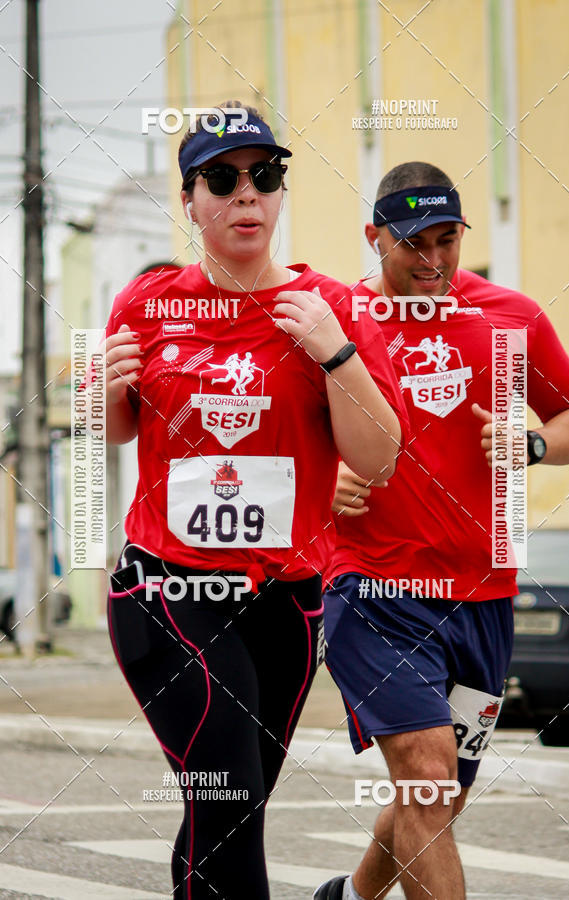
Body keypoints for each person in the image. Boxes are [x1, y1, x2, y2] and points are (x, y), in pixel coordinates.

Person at [101, 102, 408, 900]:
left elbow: (376, 460)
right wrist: (100, 388)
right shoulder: (148, 304)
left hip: (286, 602)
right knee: (228, 794)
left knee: (230, 808)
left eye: (265, 177)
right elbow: (116, 431)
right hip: (171, 591)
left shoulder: (328, 307)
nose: (247, 194)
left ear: (279, 194)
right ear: (190, 200)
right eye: (223, 179)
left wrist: (334, 353)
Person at [315, 161, 569, 900]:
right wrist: (322, 480)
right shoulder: (338, 322)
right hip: (373, 587)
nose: (435, 260)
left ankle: (348, 897)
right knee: (428, 771)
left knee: (439, 794)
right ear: (374, 237)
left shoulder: (508, 317)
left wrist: (531, 443)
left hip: (482, 598)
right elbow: (281, 440)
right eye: (415, 243)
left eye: (447, 239)